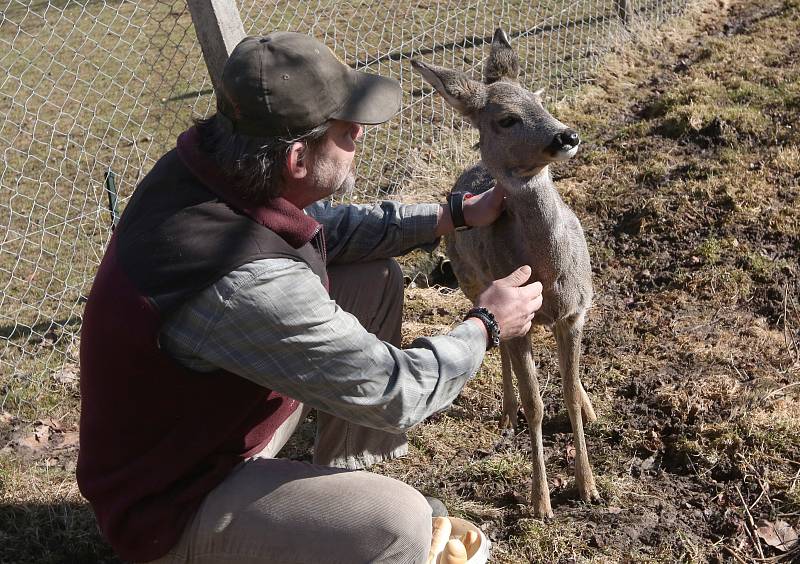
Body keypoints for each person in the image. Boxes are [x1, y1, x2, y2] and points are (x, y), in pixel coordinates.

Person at [77, 32, 544, 563]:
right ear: (298, 158)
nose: (360, 136)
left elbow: (320, 229)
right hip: (170, 503)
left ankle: (336, 479)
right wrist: (485, 322)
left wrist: (454, 214)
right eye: (348, 130)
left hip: (199, 431)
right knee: (398, 525)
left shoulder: (207, 172)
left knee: (373, 279)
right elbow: (398, 392)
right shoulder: (244, 283)